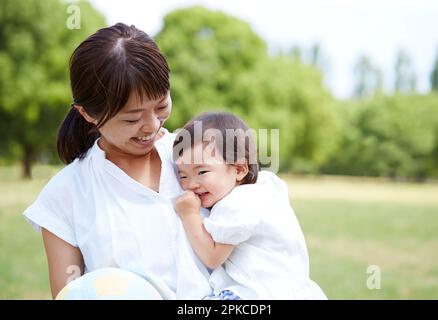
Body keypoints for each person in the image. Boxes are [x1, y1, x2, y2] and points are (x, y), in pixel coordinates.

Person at [23, 23, 212, 300]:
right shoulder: (66, 193)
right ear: (87, 113)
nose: (151, 125)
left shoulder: (204, 158)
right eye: (132, 118)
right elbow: (71, 295)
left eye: (161, 105)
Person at [173, 112, 327, 299]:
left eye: (202, 171)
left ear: (239, 169)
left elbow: (212, 257)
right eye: (183, 175)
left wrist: (189, 214)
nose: (191, 185)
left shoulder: (236, 202)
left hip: (256, 293)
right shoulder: (264, 188)